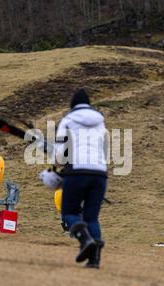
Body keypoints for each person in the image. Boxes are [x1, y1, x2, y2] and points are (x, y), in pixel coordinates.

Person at [55, 88, 108, 268]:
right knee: (91, 218)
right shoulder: (100, 122)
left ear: (72, 105)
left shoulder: (68, 121)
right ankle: (94, 260)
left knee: (69, 213)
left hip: (77, 170)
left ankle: (85, 240)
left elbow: (60, 156)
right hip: (100, 173)